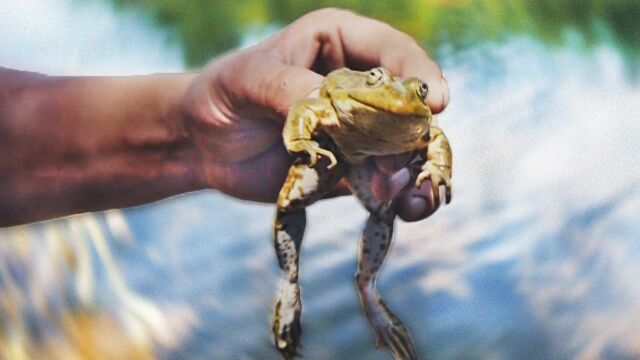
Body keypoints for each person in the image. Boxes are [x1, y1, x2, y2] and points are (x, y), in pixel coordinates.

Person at [0, 8, 449, 227]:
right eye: (375, 79)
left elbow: (435, 140)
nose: (395, 93)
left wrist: (192, 134)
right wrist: (303, 140)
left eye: (418, 92)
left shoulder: (419, 120)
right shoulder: (331, 98)